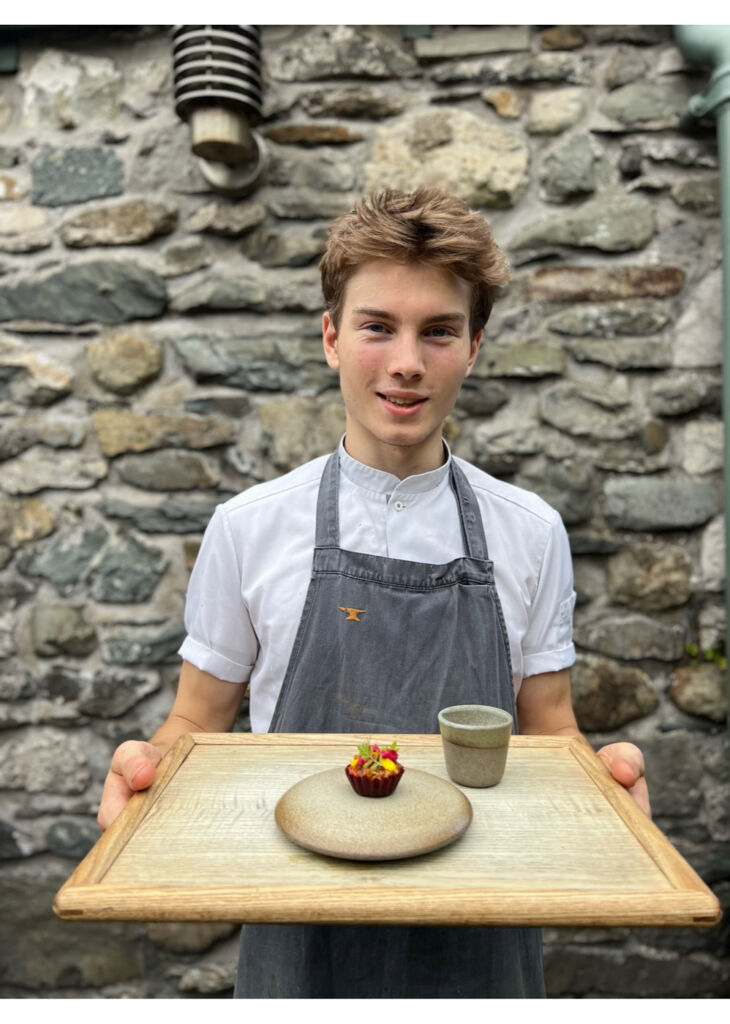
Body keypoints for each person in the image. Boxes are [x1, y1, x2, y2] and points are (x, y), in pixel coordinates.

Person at [97, 187, 650, 998]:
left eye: (438, 331)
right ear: (330, 337)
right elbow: (199, 721)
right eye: (377, 326)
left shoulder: (530, 531)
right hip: (299, 927)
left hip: (481, 930)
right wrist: (146, 774)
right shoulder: (248, 526)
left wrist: (603, 796)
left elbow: (547, 731)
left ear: (473, 347)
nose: (405, 361)